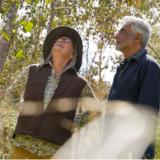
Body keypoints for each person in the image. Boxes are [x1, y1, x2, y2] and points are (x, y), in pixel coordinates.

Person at [6, 26, 95, 159]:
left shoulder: (80, 83)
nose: (60, 40)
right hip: (22, 146)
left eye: (66, 40)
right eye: (57, 39)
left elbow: (93, 112)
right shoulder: (32, 71)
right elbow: (11, 94)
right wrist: (22, 111)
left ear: (73, 53)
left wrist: (73, 123)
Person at [108, 16, 160, 158]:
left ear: (137, 37)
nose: (116, 35)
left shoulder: (149, 67)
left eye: (122, 31)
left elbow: (147, 114)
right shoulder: (121, 68)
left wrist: (144, 155)